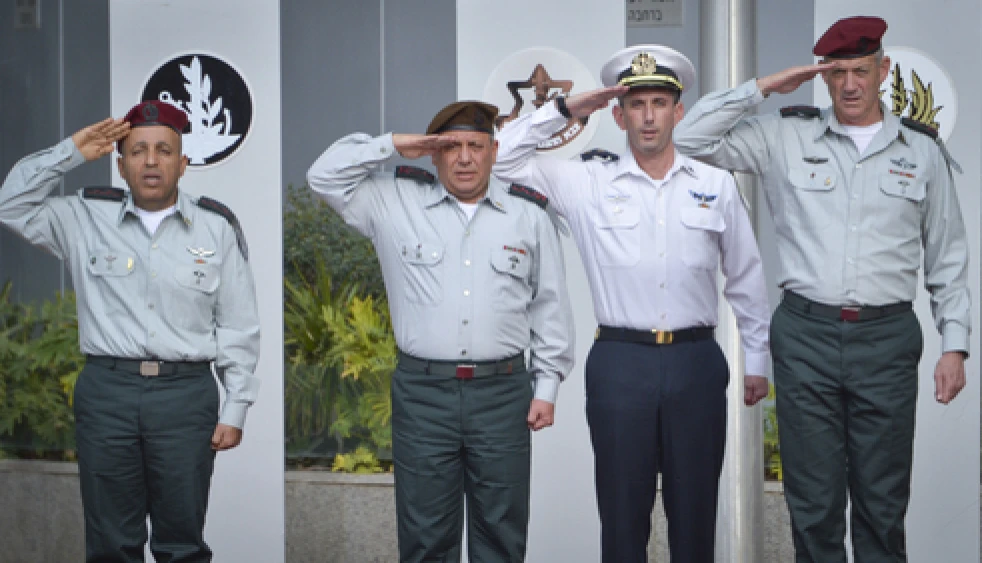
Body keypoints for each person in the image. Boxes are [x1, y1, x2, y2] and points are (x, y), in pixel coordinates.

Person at [673, 15, 970, 563]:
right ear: (822, 78)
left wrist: (954, 345)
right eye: (836, 73)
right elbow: (688, 138)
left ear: (883, 71)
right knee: (812, 503)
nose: (850, 85)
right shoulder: (785, 134)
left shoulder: (922, 151)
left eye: (861, 70)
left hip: (886, 339)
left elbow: (948, 257)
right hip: (806, 335)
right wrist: (761, 87)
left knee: (883, 504)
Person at [491, 45, 771, 563]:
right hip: (621, 364)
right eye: (636, 104)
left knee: (695, 520)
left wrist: (757, 359)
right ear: (618, 114)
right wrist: (567, 108)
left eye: (659, 103)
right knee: (622, 521)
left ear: (678, 111)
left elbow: (746, 276)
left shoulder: (715, 185)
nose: (648, 116)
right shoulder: (585, 181)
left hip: (695, 362)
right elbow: (502, 156)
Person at [306, 100, 574, 563]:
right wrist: (391, 144)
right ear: (432, 154)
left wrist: (546, 386)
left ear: (494, 151)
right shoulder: (393, 201)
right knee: (426, 537)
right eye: (450, 147)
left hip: (502, 392)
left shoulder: (527, 215)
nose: (464, 158)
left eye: (475, 146)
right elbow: (322, 177)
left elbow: (550, 305)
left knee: (501, 536)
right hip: (423, 393)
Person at [0, 100, 261, 562]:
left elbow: (238, 324)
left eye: (164, 150)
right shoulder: (84, 218)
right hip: (108, 392)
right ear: (120, 166)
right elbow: (10, 205)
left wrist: (236, 405)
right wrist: (72, 152)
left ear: (183, 164)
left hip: (185, 396)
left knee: (181, 543)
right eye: (138, 151)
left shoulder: (216, 227)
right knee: (110, 544)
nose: (151, 161)